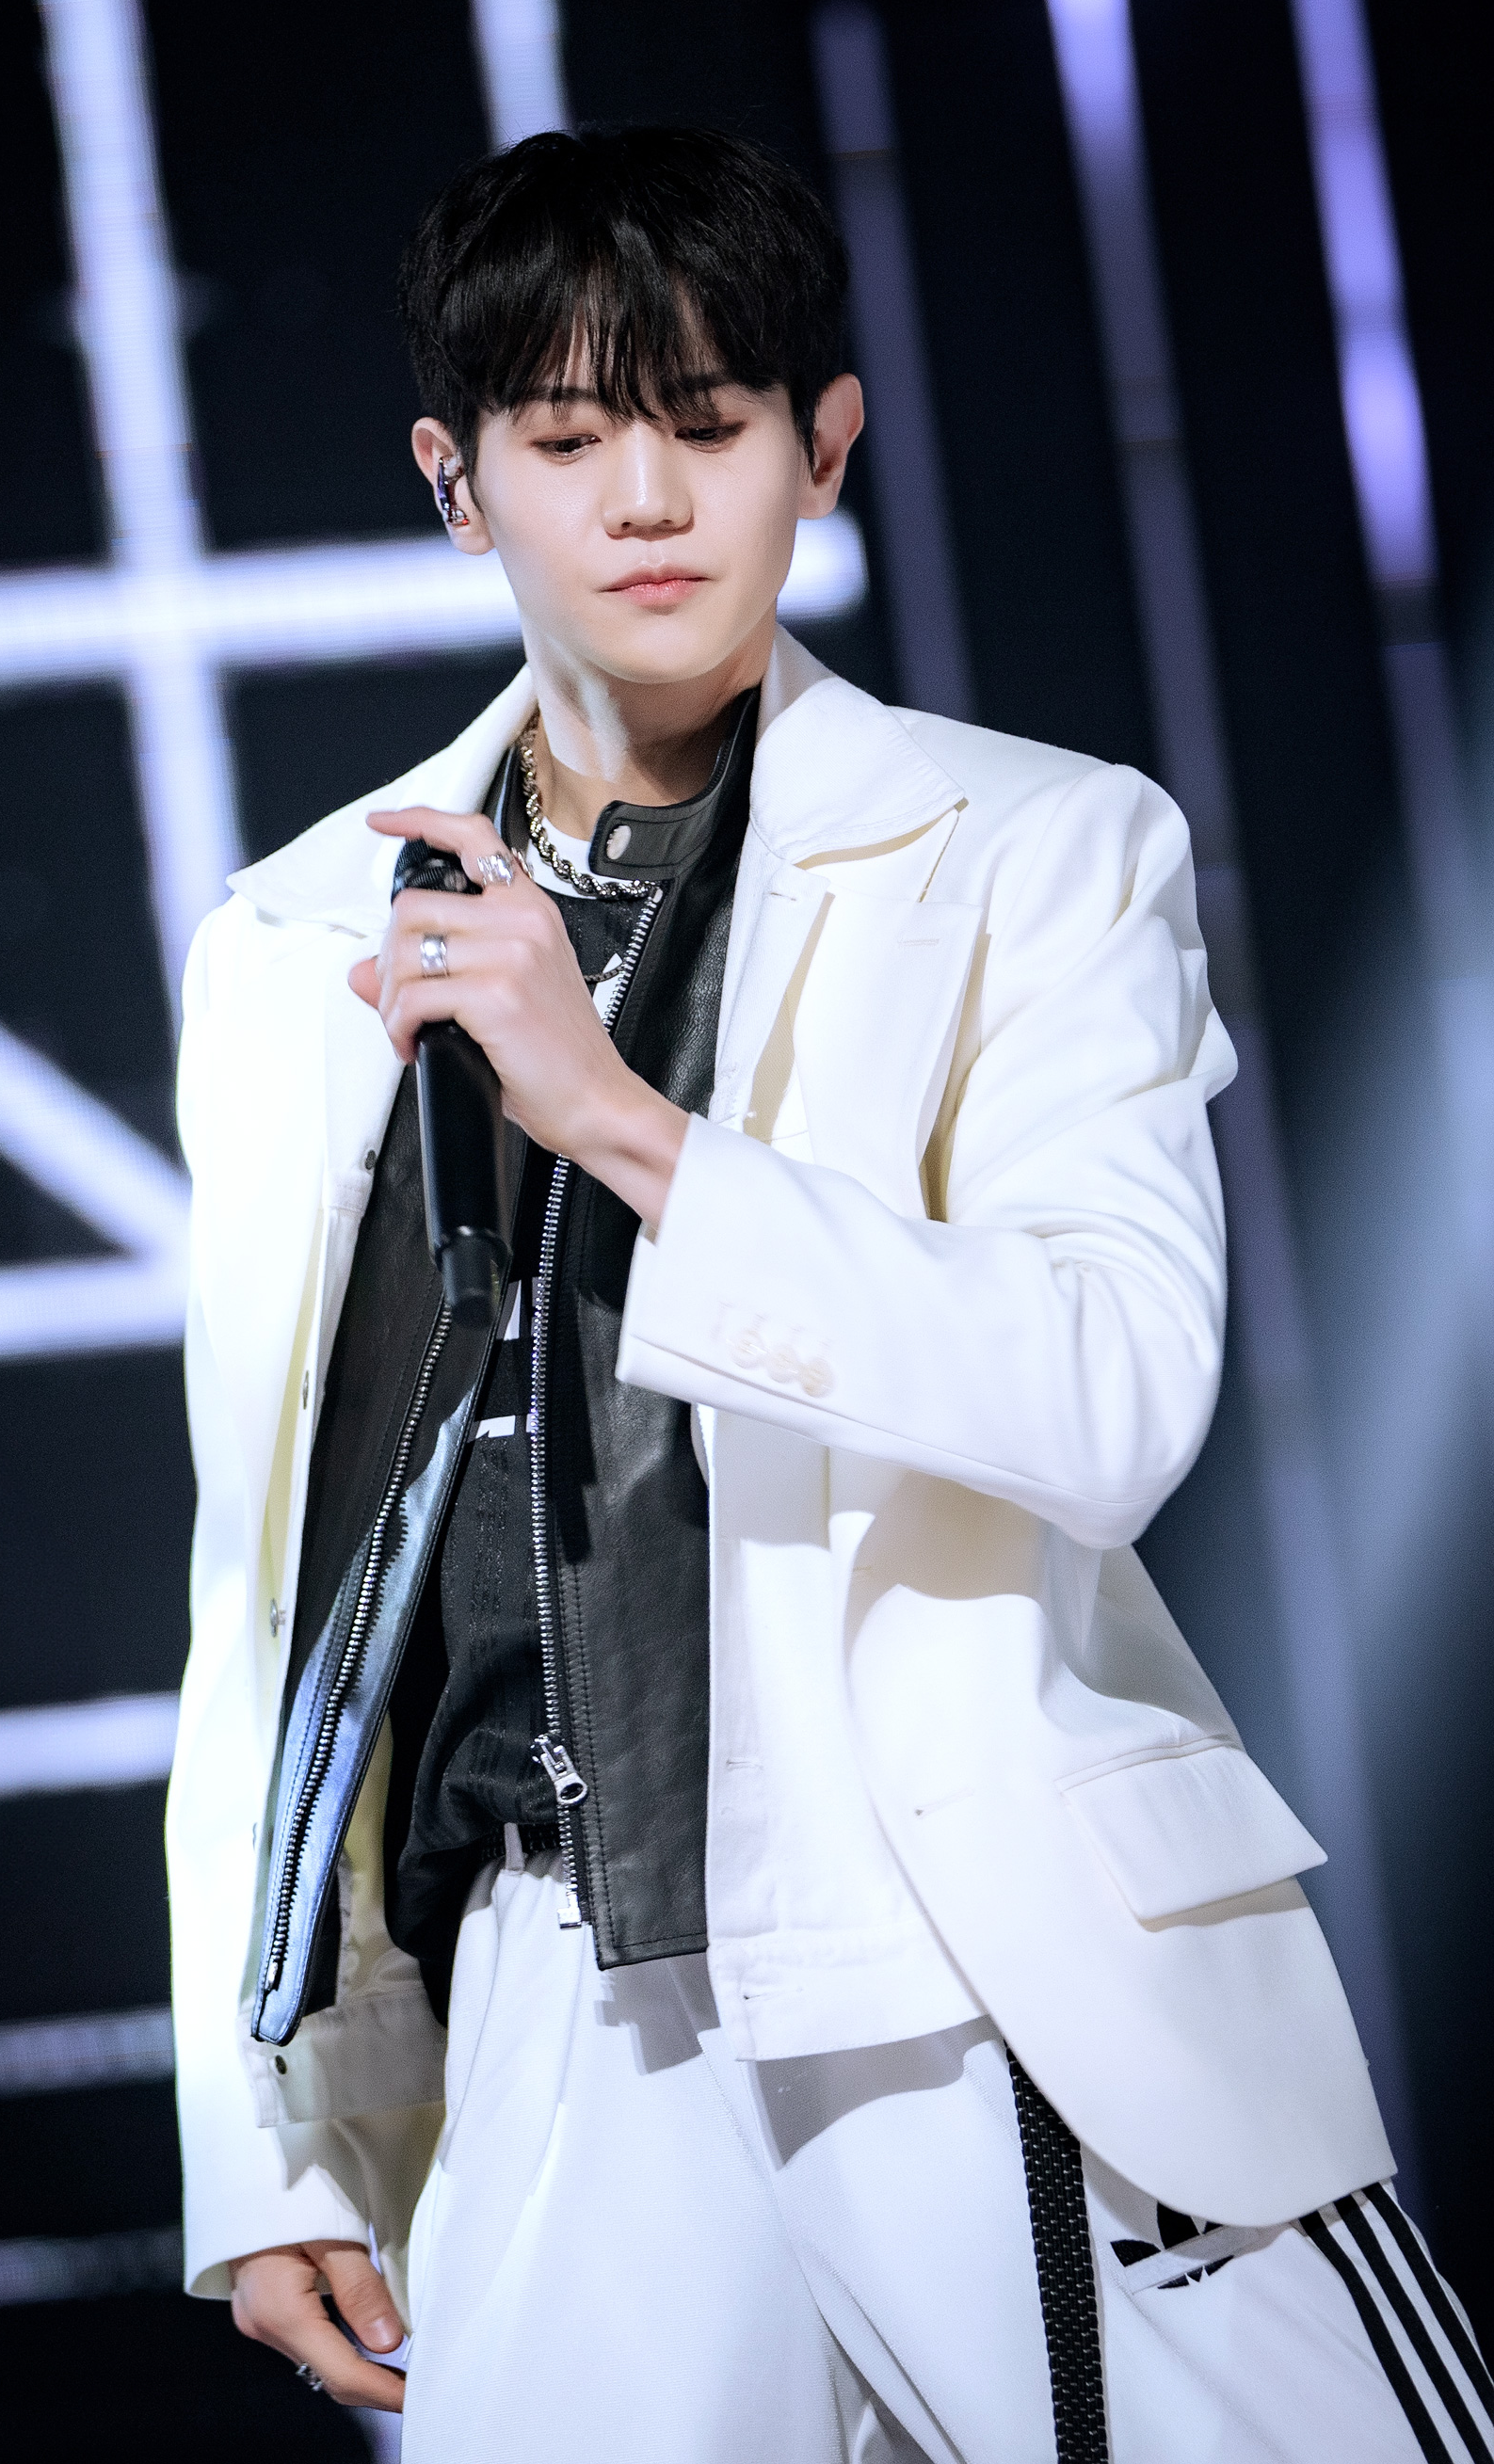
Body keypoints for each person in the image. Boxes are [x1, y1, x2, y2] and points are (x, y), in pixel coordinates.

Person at [167, 125, 1490, 2461]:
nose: (646, 500)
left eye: (710, 423)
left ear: (828, 446)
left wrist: (622, 1120)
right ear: (458, 486)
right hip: (565, 1983)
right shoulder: (293, 943)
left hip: (977, 1960)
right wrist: (263, 2129)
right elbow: (264, 1587)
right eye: (566, 440)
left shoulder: (1040, 848)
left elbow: (1112, 1396)